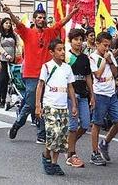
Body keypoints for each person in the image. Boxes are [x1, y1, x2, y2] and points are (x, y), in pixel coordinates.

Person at [3, 4, 78, 143]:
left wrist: (72, 13)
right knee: (31, 104)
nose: (41, 19)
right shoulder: (27, 32)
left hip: (47, 74)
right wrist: (9, 13)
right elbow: (17, 23)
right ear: (34, 19)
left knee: (45, 103)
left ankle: (41, 134)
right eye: (39, 17)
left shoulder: (49, 32)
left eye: (43, 17)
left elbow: (61, 23)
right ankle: (18, 124)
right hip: (31, 74)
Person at [35, 38, 78, 176]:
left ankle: (54, 163)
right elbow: (40, 86)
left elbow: (70, 86)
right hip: (50, 105)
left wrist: (74, 105)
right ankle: (45, 156)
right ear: (51, 52)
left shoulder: (67, 68)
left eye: (63, 49)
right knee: (53, 133)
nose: (62, 52)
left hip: (63, 106)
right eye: (59, 50)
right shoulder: (47, 67)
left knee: (61, 136)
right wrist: (38, 105)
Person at [88, 32, 118, 166]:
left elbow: (115, 73)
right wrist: (104, 60)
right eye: (104, 45)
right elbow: (97, 74)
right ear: (97, 44)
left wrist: (110, 61)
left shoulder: (110, 56)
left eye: (109, 46)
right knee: (97, 123)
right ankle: (94, 152)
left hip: (112, 93)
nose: (107, 48)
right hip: (100, 94)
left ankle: (105, 143)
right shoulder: (93, 57)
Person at [65, 28, 94, 168]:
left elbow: (88, 76)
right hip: (71, 95)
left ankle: (69, 144)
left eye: (80, 39)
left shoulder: (84, 58)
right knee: (72, 125)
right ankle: (71, 154)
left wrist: (92, 95)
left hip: (83, 94)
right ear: (70, 41)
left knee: (85, 124)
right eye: (76, 39)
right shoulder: (67, 57)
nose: (78, 42)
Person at [0, 17, 17, 108]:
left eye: (9, 23)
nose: (8, 25)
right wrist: (5, 54)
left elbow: (16, 45)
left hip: (11, 60)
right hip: (1, 59)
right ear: (2, 24)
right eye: (6, 23)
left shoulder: (12, 34)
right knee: (2, 79)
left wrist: (14, 56)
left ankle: (4, 98)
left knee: (7, 79)